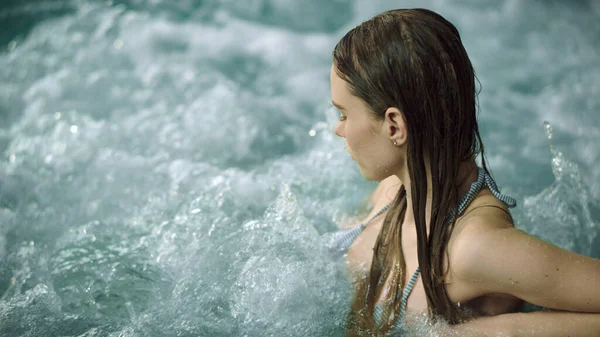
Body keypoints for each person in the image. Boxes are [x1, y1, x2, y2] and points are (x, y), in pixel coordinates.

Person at [325, 8, 600, 337]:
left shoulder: (474, 249)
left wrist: (503, 330)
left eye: (343, 114)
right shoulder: (391, 191)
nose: (337, 130)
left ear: (394, 126)